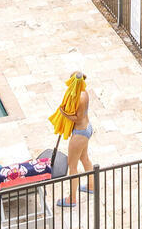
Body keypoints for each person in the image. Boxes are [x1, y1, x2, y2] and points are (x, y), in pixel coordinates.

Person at [57, 73, 95, 206]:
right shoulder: (84, 92)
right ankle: (92, 185)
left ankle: (72, 199)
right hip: (87, 128)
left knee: (72, 166)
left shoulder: (79, 98)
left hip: (80, 133)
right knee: (84, 158)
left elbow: (77, 118)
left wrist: (64, 113)